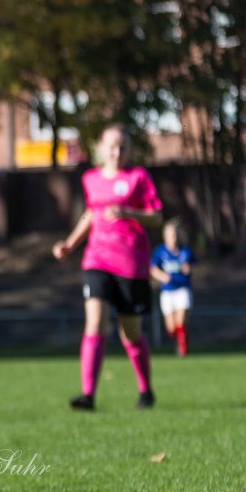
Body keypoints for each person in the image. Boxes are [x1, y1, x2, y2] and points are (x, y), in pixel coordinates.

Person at [52, 124, 163, 411]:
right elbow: (91, 213)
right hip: (97, 260)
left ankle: (146, 390)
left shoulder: (138, 177)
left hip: (131, 264)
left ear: (129, 150)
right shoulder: (91, 179)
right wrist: (70, 243)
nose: (117, 152)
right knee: (95, 322)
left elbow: (157, 217)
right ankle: (88, 395)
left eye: (123, 147)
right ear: (101, 148)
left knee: (131, 333)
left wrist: (128, 213)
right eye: (112, 146)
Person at [150, 217, 195, 357]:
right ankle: (180, 341)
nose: (173, 238)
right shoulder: (160, 252)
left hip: (183, 290)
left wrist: (190, 269)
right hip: (168, 291)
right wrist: (162, 276)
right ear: (165, 236)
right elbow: (152, 269)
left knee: (180, 322)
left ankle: (183, 349)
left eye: (175, 235)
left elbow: (195, 267)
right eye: (170, 235)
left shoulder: (186, 252)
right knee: (171, 328)